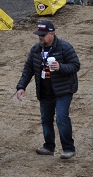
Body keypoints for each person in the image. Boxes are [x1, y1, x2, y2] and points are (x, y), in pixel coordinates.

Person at [15, 20, 80, 160]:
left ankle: (69, 149)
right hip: (45, 91)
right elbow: (28, 70)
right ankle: (49, 146)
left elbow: (75, 65)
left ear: (52, 34)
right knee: (46, 119)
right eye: (39, 35)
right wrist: (21, 87)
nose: (40, 37)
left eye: (43, 35)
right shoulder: (36, 50)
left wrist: (61, 67)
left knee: (61, 118)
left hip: (63, 90)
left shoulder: (65, 47)